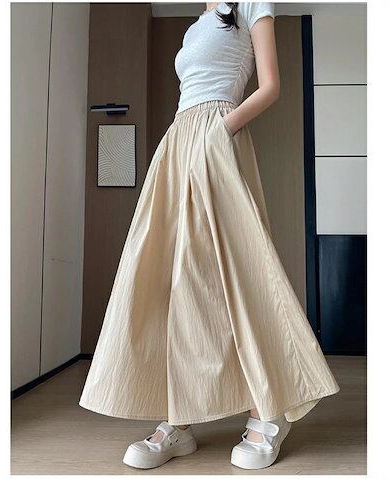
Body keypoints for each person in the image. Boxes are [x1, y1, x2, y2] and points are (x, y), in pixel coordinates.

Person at [79, 2, 340, 470]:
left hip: (217, 137)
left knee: (238, 269)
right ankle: (179, 419)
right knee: (168, 276)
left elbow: (271, 86)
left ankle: (268, 410)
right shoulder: (199, 21)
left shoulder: (250, 4)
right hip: (179, 141)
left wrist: (220, 132)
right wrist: (190, 139)